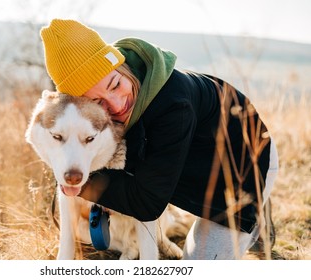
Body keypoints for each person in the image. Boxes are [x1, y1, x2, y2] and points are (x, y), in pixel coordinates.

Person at [39, 19, 279, 259]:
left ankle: (256, 215)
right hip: (183, 165)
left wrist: (77, 182)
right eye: (98, 102)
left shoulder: (174, 105)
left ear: (121, 66)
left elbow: (148, 204)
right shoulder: (116, 95)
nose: (117, 105)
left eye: (115, 85)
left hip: (245, 168)